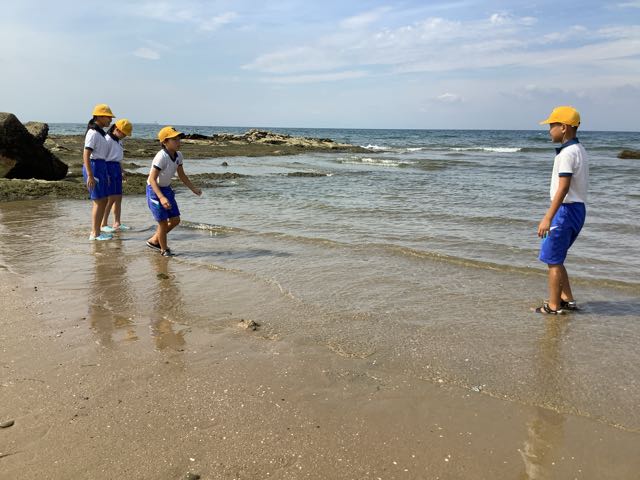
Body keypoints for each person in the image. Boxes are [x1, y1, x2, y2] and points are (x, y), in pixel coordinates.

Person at [535, 106, 588, 314]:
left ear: (564, 127)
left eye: (552, 126)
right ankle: (567, 299)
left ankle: (553, 306)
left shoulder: (567, 154)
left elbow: (563, 188)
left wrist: (548, 217)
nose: (549, 131)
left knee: (553, 260)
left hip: (565, 211)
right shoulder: (580, 150)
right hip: (578, 210)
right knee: (558, 257)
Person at [146, 126, 201, 256]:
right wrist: (161, 197)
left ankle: (155, 240)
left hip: (167, 189)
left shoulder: (179, 156)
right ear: (165, 142)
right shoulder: (161, 157)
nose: (178, 142)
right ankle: (164, 249)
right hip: (154, 190)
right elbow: (152, 179)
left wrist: (193, 188)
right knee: (163, 222)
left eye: (178, 139)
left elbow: (182, 175)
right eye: (174, 139)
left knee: (175, 220)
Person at [83, 104, 115, 241]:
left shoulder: (101, 133)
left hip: (101, 166)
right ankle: (94, 233)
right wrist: (90, 175)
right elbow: (86, 154)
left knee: (104, 199)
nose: (110, 120)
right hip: (94, 166)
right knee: (98, 201)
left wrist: (105, 173)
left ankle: (98, 230)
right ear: (99, 116)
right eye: (108, 117)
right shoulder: (93, 133)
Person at [101, 119, 133, 233]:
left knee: (118, 197)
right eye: (123, 133)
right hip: (108, 167)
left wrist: (122, 171)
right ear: (116, 129)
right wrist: (106, 174)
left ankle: (117, 222)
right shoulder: (107, 139)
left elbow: (118, 159)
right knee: (110, 198)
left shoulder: (119, 141)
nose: (124, 136)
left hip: (116, 168)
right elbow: (103, 158)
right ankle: (103, 223)